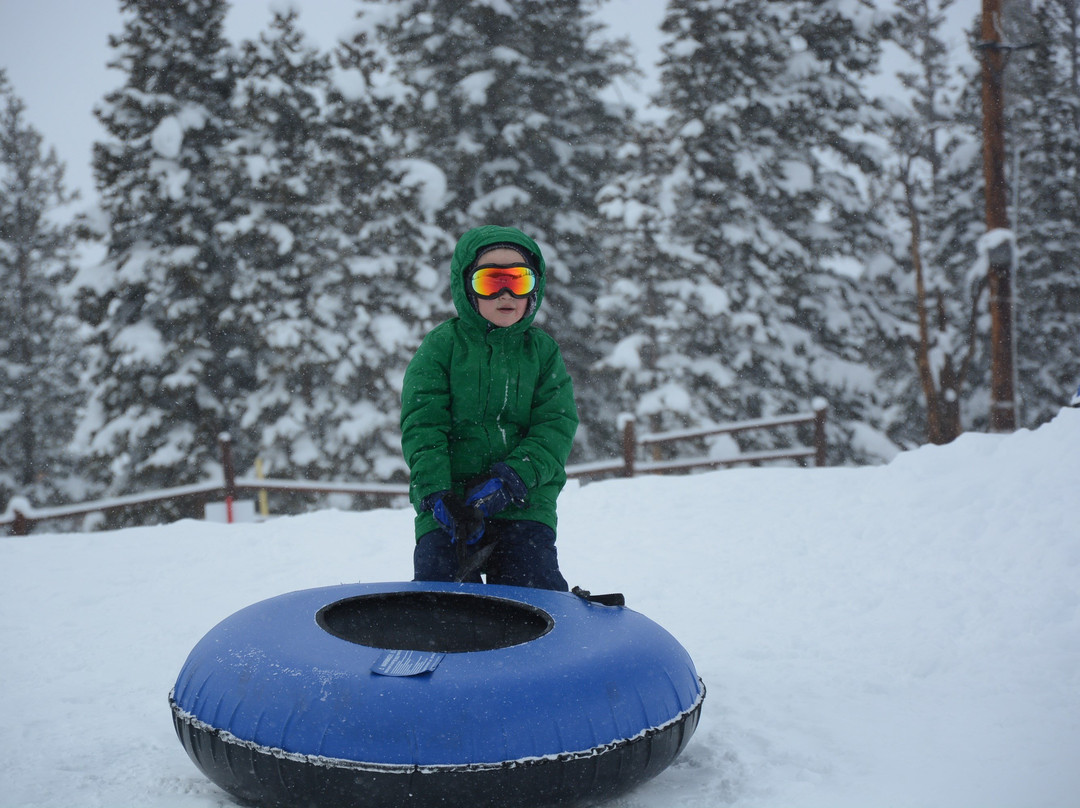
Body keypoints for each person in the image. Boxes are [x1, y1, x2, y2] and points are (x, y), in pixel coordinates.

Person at [400, 225, 578, 590]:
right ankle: (441, 620)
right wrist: (437, 493)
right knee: (440, 590)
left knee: (530, 585)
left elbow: (555, 426)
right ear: (468, 288)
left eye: (518, 280)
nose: (505, 294)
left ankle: (544, 619)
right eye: (490, 282)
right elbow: (423, 426)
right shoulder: (441, 347)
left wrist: (513, 478)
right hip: (451, 505)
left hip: (524, 501)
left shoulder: (542, 352)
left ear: (534, 288)